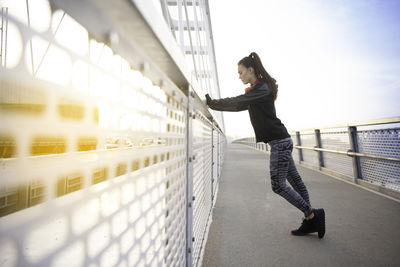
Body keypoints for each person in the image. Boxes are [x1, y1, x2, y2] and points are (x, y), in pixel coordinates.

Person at [205, 52, 325, 238]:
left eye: (241, 72)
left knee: (278, 185)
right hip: (280, 141)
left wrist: (214, 103)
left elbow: (239, 101)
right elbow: (238, 105)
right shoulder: (257, 90)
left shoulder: (261, 89)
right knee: (295, 181)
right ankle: (311, 220)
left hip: (280, 142)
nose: (239, 76)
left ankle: (312, 216)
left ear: (250, 70)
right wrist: (215, 105)